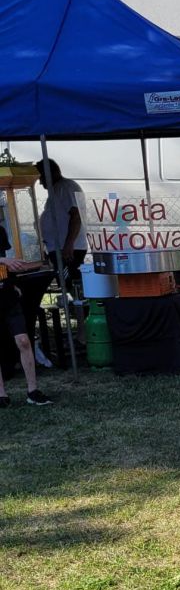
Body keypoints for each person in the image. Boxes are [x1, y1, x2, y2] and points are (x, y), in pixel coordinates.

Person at [0, 258, 52, 407]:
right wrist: (3, 260)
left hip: (8, 296)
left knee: (23, 340)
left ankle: (33, 391)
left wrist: (13, 280)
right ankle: (1, 395)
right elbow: (6, 260)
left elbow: (12, 262)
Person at [37, 159, 88, 294]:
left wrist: (69, 244)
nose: (40, 182)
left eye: (41, 177)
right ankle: (75, 304)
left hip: (68, 249)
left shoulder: (66, 187)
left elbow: (76, 216)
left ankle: (79, 305)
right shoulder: (57, 189)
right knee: (65, 283)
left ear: (51, 173)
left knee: (71, 284)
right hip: (60, 247)